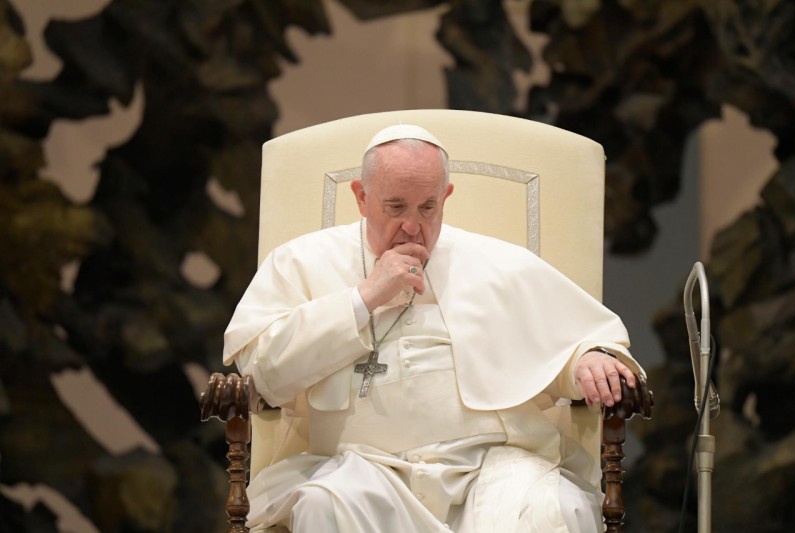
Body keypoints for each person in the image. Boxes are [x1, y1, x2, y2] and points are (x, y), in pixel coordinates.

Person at [223, 124, 644, 533]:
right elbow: (264, 373)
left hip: (492, 466)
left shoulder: (497, 262)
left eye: (428, 207)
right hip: (362, 470)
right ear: (361, 197)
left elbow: (574, 340)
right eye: (395, 207)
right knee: (323, 505)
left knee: (559, 511)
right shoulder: (301, 262)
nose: (412, 226)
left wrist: (587, 360)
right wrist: (364, 298)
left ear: (446, 196)